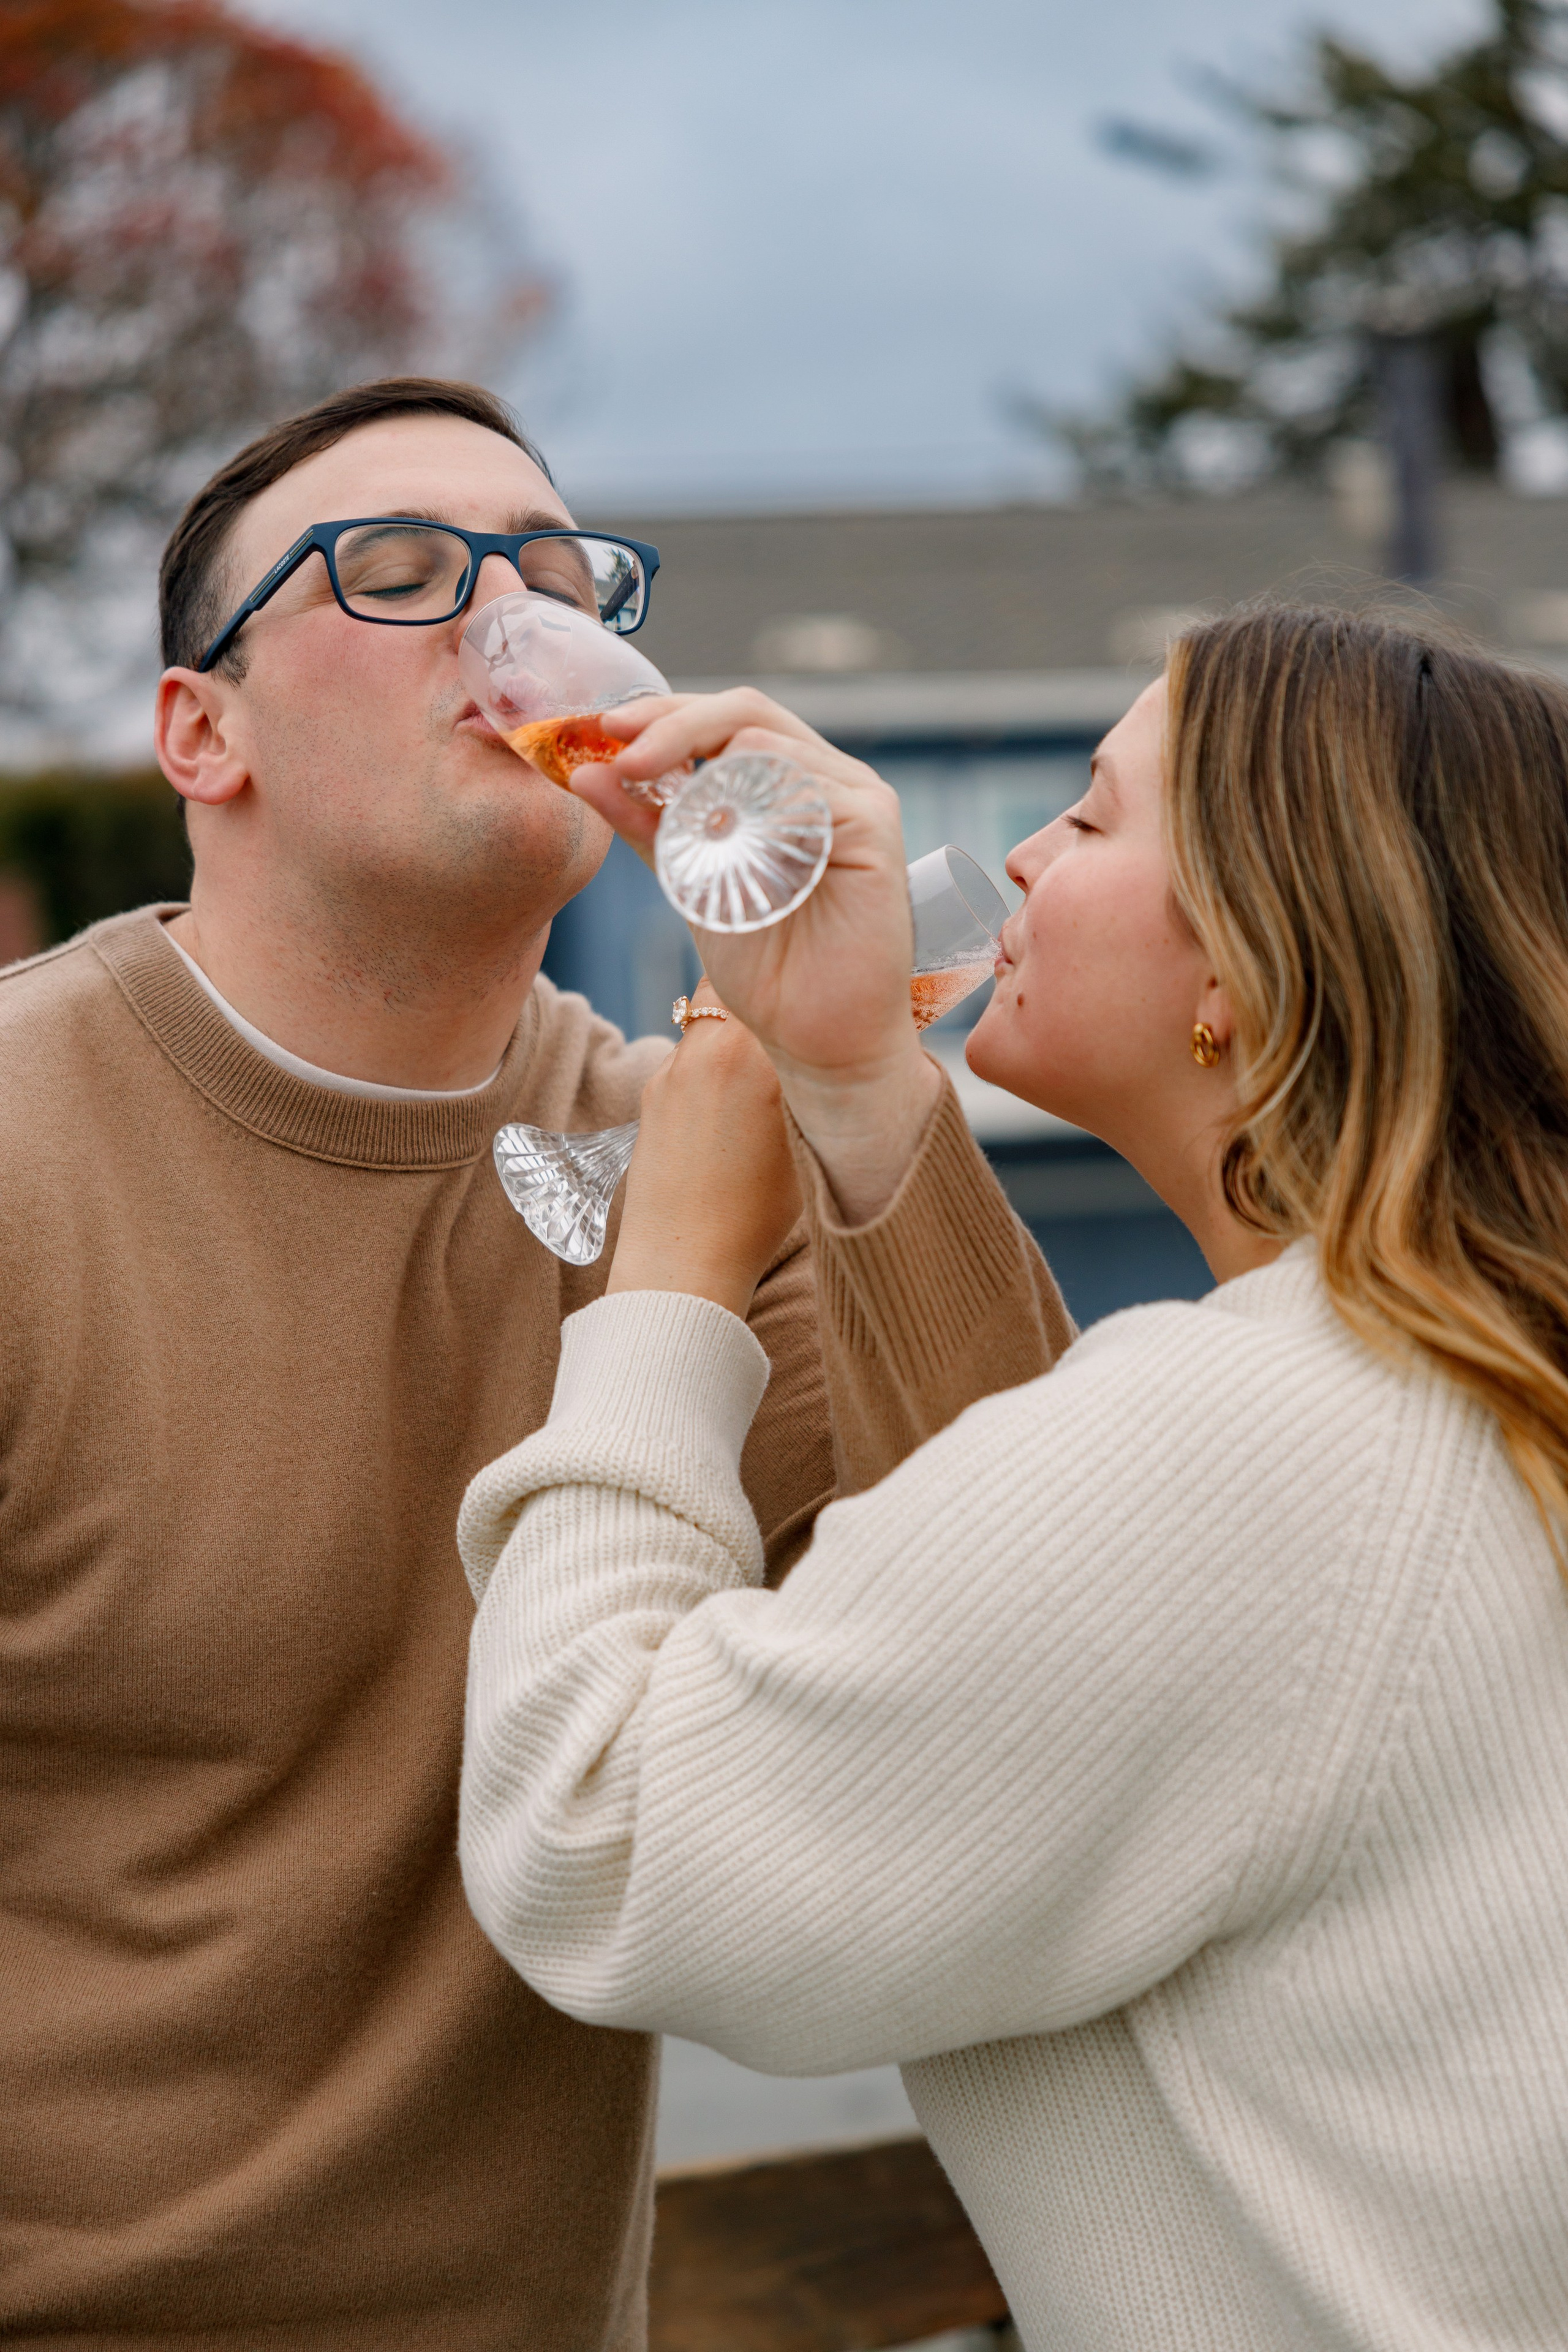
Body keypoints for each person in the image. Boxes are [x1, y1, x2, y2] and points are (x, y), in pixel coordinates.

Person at [457, 605, 1568, 2352]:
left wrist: (668, 1276)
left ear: (1247, 970)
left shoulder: (1257, 1443)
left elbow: (594, 1841)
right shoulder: (1466, 1381)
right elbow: (1051, 1636)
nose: (1026, 860)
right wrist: (848, 1073)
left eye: (1097, 818)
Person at [0, 377, 869, 2350]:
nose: (509, 624)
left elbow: (1028, 1652)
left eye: (559, 581)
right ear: (196, 733)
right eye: (396, 577)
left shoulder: (703, 1162)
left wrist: (870, 1079)